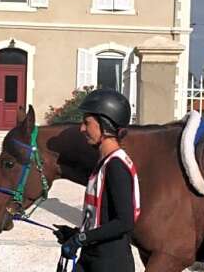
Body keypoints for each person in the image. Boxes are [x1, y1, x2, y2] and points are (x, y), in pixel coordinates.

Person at [53, 89, 141, 272]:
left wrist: (81, 239)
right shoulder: (104, 162)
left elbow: (124, 222)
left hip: (110, 263)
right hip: (92, 258)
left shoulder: (116, 166)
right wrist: (76, 234)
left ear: (106, 125)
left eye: (87, 123)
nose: (82, 128)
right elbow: (103, 219)